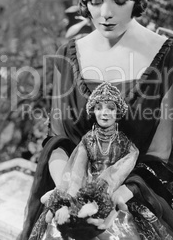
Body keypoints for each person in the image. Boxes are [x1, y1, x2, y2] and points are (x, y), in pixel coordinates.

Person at [21, 0, 173, 240]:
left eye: (118, 0)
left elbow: (162, 156)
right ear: (85, 0)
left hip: (134, 201)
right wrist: (70, 195)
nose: (105, 13)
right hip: (71, 201)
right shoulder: (68, 55)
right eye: (95, 0)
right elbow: (58, 141)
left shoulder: (169, 56)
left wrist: (112, 198)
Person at [32, 81, 139, 239]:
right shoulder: (88, 140)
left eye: (111, 108)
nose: (105, 113)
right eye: (99, 108)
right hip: (83, 186)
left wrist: (104, 192)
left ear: (118, 112)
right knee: (60, 223)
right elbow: (78, 169)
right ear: (93, 111)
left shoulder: (125, 144)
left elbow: (123, 169)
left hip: (111, 190)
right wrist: (73, 195)